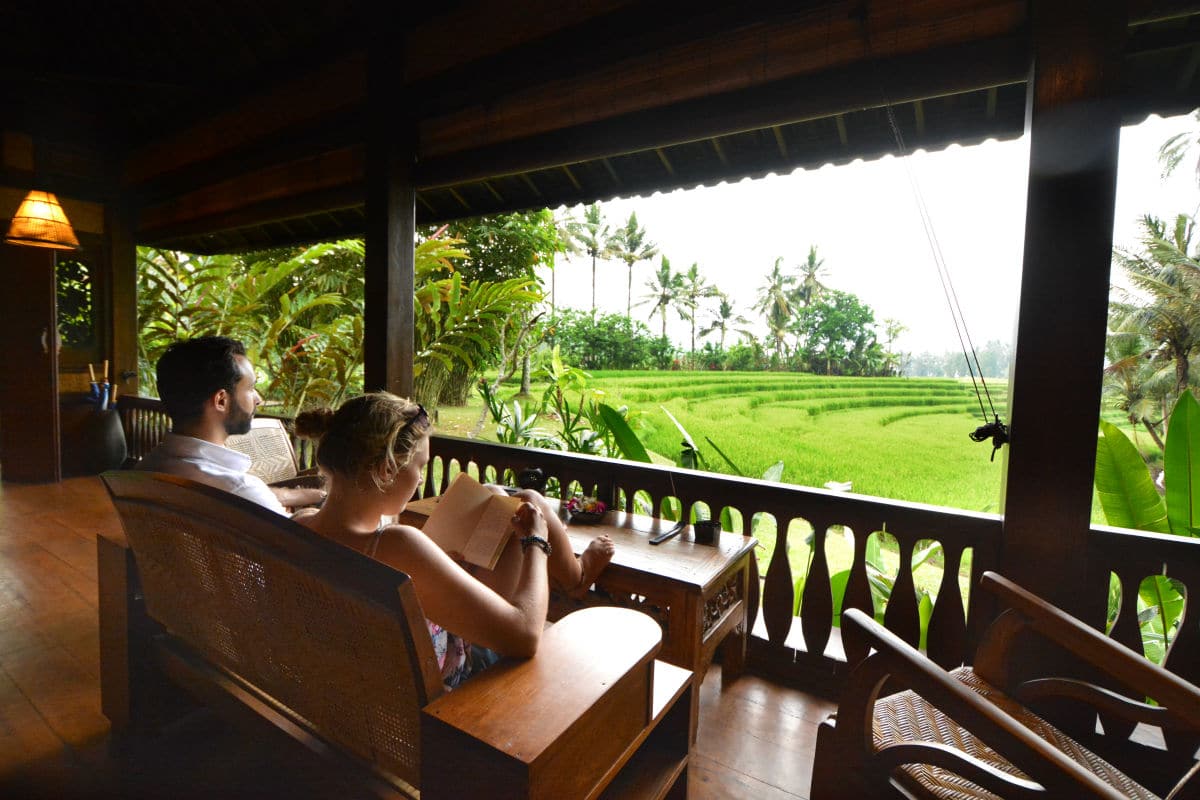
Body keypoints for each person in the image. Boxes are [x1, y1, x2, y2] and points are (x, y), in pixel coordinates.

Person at [291, 392, 613, 686]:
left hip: (354, 677)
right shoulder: (394, 546)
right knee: (527, 501)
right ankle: (576, 576)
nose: (419, 479)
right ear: (387, 470)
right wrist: (536, 544)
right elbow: (525, 638)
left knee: (495, 497)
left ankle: (574, 573)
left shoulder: (300, 525)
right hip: (447, 683)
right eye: (420, 467)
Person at [138, 336, 325, 514]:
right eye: (251, 388)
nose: (258, 399)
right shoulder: (240, 489)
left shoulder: (144, 468)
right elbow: (298, 541)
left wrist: (299, 495)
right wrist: (309, 511)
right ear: (221, 401)